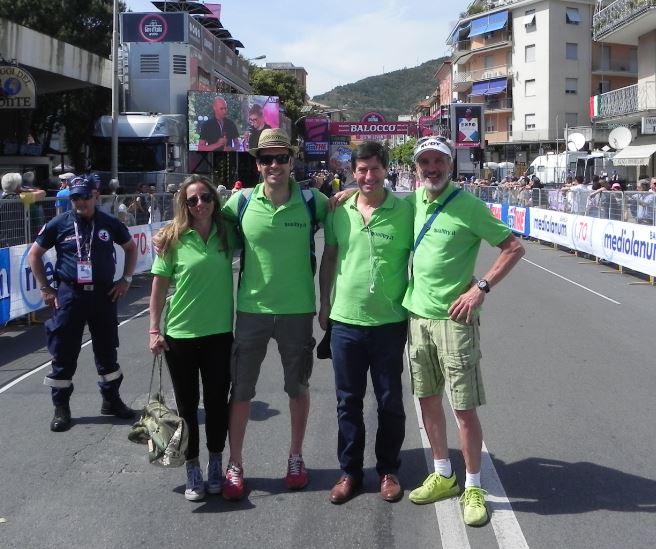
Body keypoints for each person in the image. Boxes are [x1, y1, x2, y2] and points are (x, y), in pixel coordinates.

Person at [404, 136, 524, 526]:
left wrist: (481, 288)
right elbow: (373, 201)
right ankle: (443, 474)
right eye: (425, 162)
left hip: (454, 322)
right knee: (427, 400)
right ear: (417, 169)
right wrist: (346, 196)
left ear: (450, 165)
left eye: (439, 161)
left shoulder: (469, 206)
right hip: (418, 318)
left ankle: (473, 485)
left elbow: (512, 247)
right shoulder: (415, 202)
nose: (432, 168)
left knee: (464, 408)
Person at [220, 128, 329, 500]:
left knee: (297, 387)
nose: (274, 165)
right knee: (241, 390)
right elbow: (199, 223)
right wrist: (167, 236)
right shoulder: (241, 202)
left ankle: (295, 457)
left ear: (291, 160)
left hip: (298, 311)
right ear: (257, 164)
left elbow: (350, 218)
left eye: (281, 158)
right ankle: (235, 463)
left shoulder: (314, 201)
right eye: (266, 158)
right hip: (250, 311)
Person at [319, 142, 413, 504]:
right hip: (345, 321)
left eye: (374, 169)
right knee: (348, 402)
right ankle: (350, 472)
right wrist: (323, 303)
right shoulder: (338, 210)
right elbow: (329, 258)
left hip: (389, 322)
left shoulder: (405, 211)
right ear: (352, 172)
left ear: (386, 170)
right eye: (361, 170)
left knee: (390, 400)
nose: (367, 176)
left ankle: (388, 470)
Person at [149, 175, 237, 502]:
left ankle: (217, 462)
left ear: (214, 199)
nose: (200, 204)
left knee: (216, 404)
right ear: (184, 205)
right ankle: (192, 465)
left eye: (205, 197)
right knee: (187, 407)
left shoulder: (227, 233)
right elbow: (158, 288)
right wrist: (154, 330)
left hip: (219, 335)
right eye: (192, 200)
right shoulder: (172, 238)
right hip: (180, 336)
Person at [27, 176, 138, 432]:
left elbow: (131, 248)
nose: (81, 202)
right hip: (70, 295)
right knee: (64, 352)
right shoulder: (59, 223)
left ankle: (111, 400)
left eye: (85, 197)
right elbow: (34, 254)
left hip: (103, 295)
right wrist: (45, 287)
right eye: (75, 197)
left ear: (95, 196)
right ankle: (61, 408)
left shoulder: (109, 223)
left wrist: (126, 279)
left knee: (107, 350)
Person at [1, 172, 47, 248]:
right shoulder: (22, 197)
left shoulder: (2, 198)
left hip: (4, 240)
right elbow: (42, 193)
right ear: (17, 186)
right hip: (19, 240)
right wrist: (26, 190)